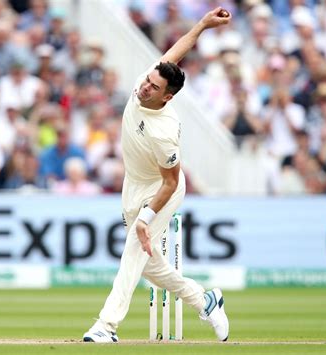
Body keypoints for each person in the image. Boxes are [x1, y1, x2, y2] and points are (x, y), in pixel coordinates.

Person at [82, 8, 231, 343]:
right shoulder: (147, 81)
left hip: (160, 190)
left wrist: (147, 217)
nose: (144, 87)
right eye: (147, 81)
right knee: (150, 265)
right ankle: (205, 300)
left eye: (153, 87)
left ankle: (106, 326)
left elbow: (172, 181)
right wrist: (203, 25)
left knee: (133, 254)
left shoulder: (164, 133)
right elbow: (177, 51)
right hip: (132, 184)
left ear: (168, 96)